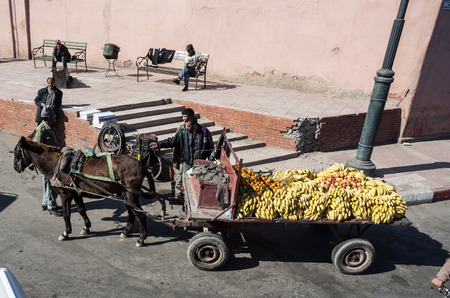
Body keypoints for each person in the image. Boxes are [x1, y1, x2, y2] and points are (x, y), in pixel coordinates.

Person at [152, 115, 214, 198]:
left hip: (200, 164)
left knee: (198, 184)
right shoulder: (182, 133)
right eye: (186, 126)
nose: (186, 127)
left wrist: (210, 161)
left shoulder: (205, 132)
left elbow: (210, 147)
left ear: (194, 125)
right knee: (187, 183)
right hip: (187, 163)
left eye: (188, 126)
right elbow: (172, 141)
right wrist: (159, 144)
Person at [33, 106, 63, 216]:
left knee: (47, 184)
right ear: (49, 117)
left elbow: (56, 143)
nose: (55, 116)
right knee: (52, 184)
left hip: (53, 160)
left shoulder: (50, 127)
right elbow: (37, 148)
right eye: (53, 115)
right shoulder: (41, 130)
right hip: (47, 163)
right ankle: (52, 206)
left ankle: (45, 203)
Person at [172, 108, 195, 196]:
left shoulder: (199, 129)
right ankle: (177, 196)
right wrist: (175, 159)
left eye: (185, 117)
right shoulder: (181, 129)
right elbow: (176, 145)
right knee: (178, 178)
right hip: (181, 158)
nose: (183, 119)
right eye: (183, 117)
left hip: (192, 160)